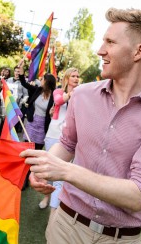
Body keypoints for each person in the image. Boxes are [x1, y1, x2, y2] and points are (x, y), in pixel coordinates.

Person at [20, 8, 141, 243]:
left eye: (110, 42)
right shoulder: (82, 95)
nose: (100, 50)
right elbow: (68, 143)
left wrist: (65, 171)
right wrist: (45, 170)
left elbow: (138, 194)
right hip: (64, 226)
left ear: (139, 51)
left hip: (119, 238)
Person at [39, 68, 80, 211]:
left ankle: (53, 212)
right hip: (52, 135)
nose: (76, 78)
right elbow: (58, 100)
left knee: (59, 178)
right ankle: (46, 197)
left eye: (77, 76)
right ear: (67, 78)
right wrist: (70, 94)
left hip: (68, 140)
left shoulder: (81, 96)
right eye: (73, 76)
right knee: (47, 169)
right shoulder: (58, 92)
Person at [18, 60, 56, 149]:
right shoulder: (37, 90)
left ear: (47, 81)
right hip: (32, 121)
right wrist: (21, 68)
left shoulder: (54, 96)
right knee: (27, 146)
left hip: (43, 126)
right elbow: (23, 82)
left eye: (42, 79)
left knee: (37, 149)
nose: (40, 80)